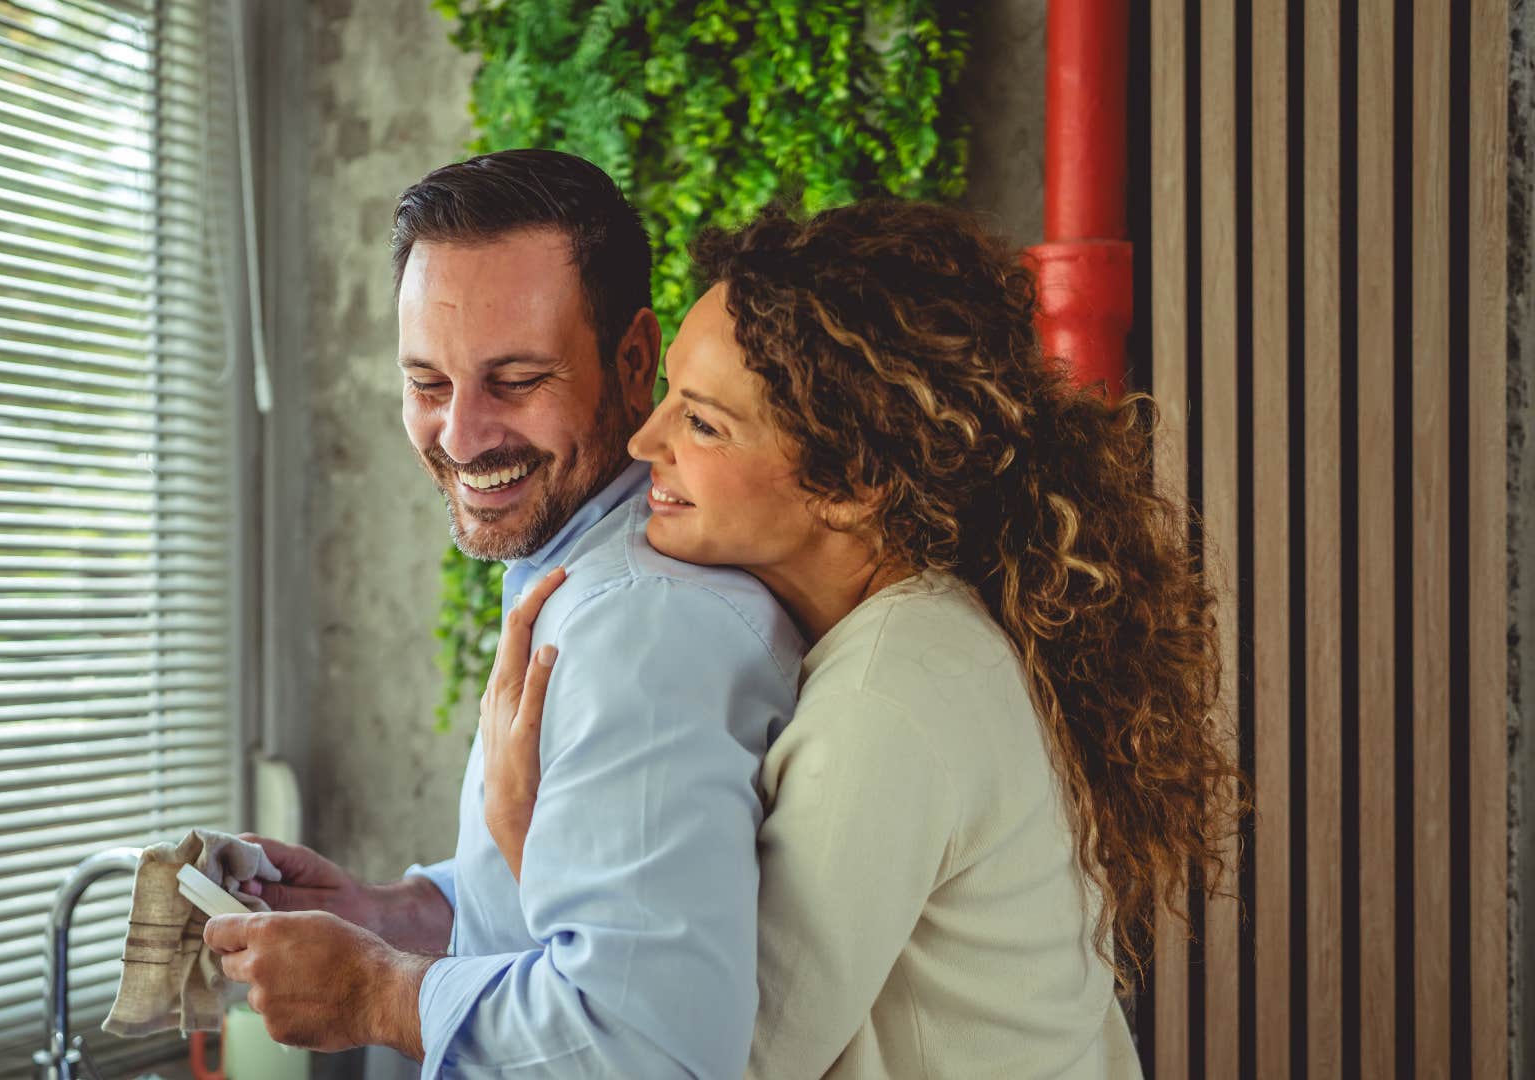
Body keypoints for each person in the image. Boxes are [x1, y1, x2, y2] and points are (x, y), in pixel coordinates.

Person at [478, 198, 1246, 1077]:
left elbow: (707, 1063)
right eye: (667, 398)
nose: (646, 439)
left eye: (703, 423)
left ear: (850, 486)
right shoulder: (919, 636)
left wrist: (528, 837)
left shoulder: (889, 699)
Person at [202, 149, 801, 1077]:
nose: (461, 435)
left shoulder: (638, 631)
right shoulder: (572, 572)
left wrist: (375, 990)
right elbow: (599, 899)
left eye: (516, 380)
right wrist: (395, 914)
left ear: (633, 360)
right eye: (427, 384)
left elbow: (645, 1047)